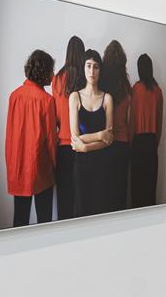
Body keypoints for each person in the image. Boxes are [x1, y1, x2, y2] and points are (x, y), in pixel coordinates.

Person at [5, 49, 58, 226]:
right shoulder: (47, 100)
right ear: (44, 71)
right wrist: (55, 165)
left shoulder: (14, 96)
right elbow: (51, 140)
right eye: (51, 70)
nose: (53, 75)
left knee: (19, 220)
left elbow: (10, 134)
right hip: (40, 167)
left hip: (17, 165)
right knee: (44, 220)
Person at [71, 48, 116, 215]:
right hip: (81, 165)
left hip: (103, 162)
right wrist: (99, 135)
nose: (92, 71)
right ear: (83, 68)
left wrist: (85, 147)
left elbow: (109, 139)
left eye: (96, 67)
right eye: (88, 65)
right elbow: (75, 138)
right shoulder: (74, 97)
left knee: (101, 209)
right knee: (82, 211)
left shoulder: (107, 98)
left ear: (100, 70)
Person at [50, 36, 86, 218]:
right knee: (83, 200)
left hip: (63, 146)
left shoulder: (57, 79)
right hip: (84, 145)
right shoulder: (85, 78)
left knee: (64, 200)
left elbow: (55, 115)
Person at [99, 40, 135, 211]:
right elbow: (129, 118)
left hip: (105, 143)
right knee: (120, 192)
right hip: (123, 142)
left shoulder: (102, 86)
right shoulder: (127, 87)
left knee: (105, 191)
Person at [130, 53, 165, 208]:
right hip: (151, 142)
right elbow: (160, 121)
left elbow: (132, 119)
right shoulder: (158, 91)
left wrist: (131, 143)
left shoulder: (135, 89)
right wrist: (155, 142)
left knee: (137, 187)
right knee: (150, 187)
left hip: (137, 142)